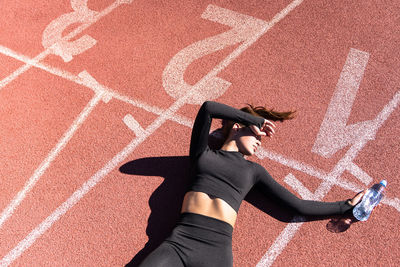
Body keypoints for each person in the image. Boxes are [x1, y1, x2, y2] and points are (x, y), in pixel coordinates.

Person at [138, 101, 365, 267]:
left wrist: (345, 206)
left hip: (216, 254)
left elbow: (297, 205)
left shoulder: (253, 171)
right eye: (257, 135)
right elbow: (207, 108)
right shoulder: (203, 155)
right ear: (237, 126)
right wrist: (253, 120)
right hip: (180, 242)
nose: (259, 142)